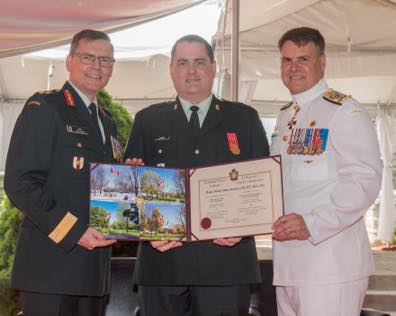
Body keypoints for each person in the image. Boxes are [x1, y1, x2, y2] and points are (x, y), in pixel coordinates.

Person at [124, 34, 270, 316]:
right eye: (183, 63)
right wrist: (144, 227)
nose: (191, 71)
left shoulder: (244, 118)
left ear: (214, 67)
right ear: (171, 70)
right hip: (162, 264)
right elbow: (128, 193)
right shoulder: (147, 120)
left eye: (199, 62)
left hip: (226, 265)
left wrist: (243, 227)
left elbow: (263, 187)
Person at [4, 29, 119, 316]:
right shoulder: (45, 107)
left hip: (94, 273)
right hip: (51, 270)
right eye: (88, 57)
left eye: (105, 60)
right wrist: (74, 231)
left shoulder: (108, 121)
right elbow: (20, 183)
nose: (97, 66)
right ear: (69, 61)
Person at [270, 27, 382, 316]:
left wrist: (313, 222)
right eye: (286, 60)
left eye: (303, 59)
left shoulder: (345, 111)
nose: (293, 68)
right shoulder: (285, 116)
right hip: (288, 264)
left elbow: (364, 180)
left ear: (322, 62)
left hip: (330, 264)